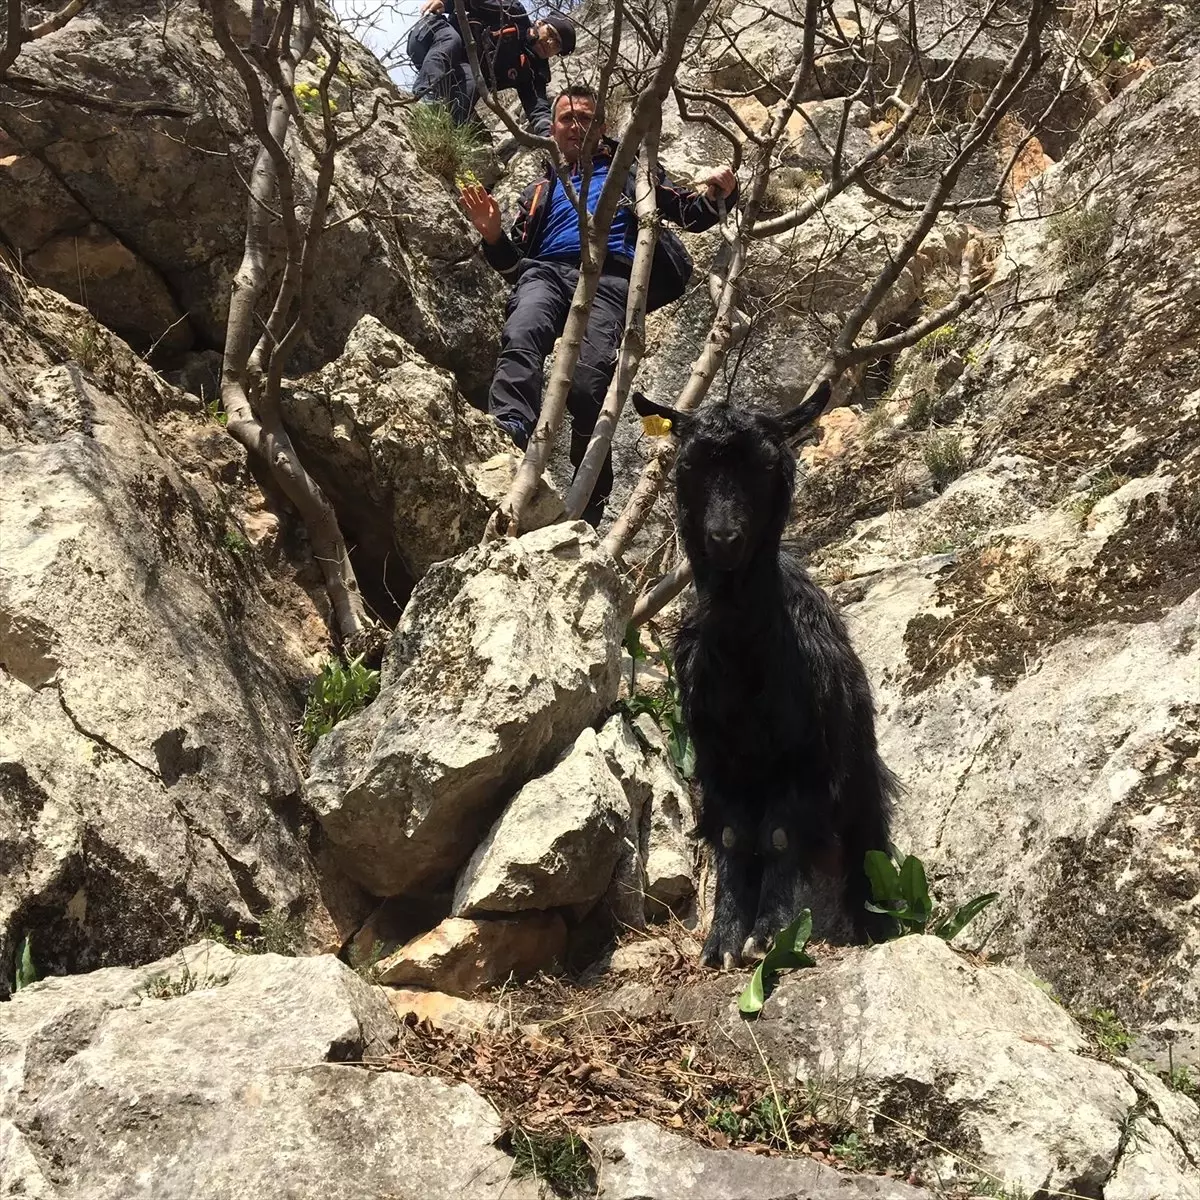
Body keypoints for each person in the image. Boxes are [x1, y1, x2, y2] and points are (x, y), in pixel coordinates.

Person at [459, 83, 739, 525]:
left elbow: (688, 212)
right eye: (567, 119)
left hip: (609, 278)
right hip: (545, 272)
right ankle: (510, 428)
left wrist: (720, 191)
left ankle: (589, 493)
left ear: (603, 127)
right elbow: (512, 264)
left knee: (591, 383)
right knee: (521, 334)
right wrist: (492, 234)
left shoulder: (630, 172)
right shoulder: (543, 186)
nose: (575, 126)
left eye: (586, 119)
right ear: (552, 128)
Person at [408, 0, 576, 137]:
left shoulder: (533, 72)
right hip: (433, 35)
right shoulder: (513, 13)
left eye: (558, 45)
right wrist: (445, 2)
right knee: (452, 40)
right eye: (551, 34)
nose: (551, 43)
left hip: (459, 71)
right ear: (540, 23)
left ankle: (441, 133)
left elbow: (538, 109)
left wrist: (551, 137)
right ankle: (422, 101)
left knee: (470, 100)